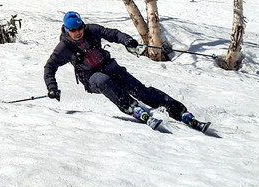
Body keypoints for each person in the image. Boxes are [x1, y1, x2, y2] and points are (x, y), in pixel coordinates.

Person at [42, 11, 209, 132]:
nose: (78, 33)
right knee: (102, 81)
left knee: (142, 92)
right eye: (73, 30)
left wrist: (127, 40)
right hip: (91, 78)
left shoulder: (91, 30)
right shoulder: (64, 47)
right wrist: (52, 87)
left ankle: (179, 111)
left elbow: (112, 34)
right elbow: (49, 67)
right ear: (66, 30)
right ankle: (132, 108)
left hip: (111, 68)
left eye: (80, 28)